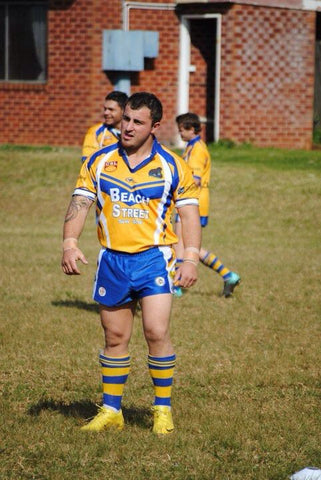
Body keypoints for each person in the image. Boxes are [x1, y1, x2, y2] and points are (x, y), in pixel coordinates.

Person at [61, 92, 201, 435]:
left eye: (137, 122)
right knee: (115, 336)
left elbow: (189, 213)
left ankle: (162, 411)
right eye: (125, 118)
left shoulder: (172, 166)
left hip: (154, 259)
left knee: (156, 331)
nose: (127, 127)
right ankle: (112, 410)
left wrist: (191, 258)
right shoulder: (98, 161)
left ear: (154, 126)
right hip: (112, 260)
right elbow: (80, 203)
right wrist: (69, 242)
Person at [174, 112, 240, 298]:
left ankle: (176, 285)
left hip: (193, 201)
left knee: (181, 243)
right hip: (191, 200)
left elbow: (194, 180)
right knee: (189, 245)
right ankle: (228, 275)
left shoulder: (197, 150)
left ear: (192, 129)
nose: (180, 134)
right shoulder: (190, 147)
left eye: (182, 130)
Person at [81, 90, 128, 163]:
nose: (106, 113)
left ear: (124, 111)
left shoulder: (133, 132)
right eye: (105, 109)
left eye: (111, 109)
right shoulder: (95, 131)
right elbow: (87, 161)